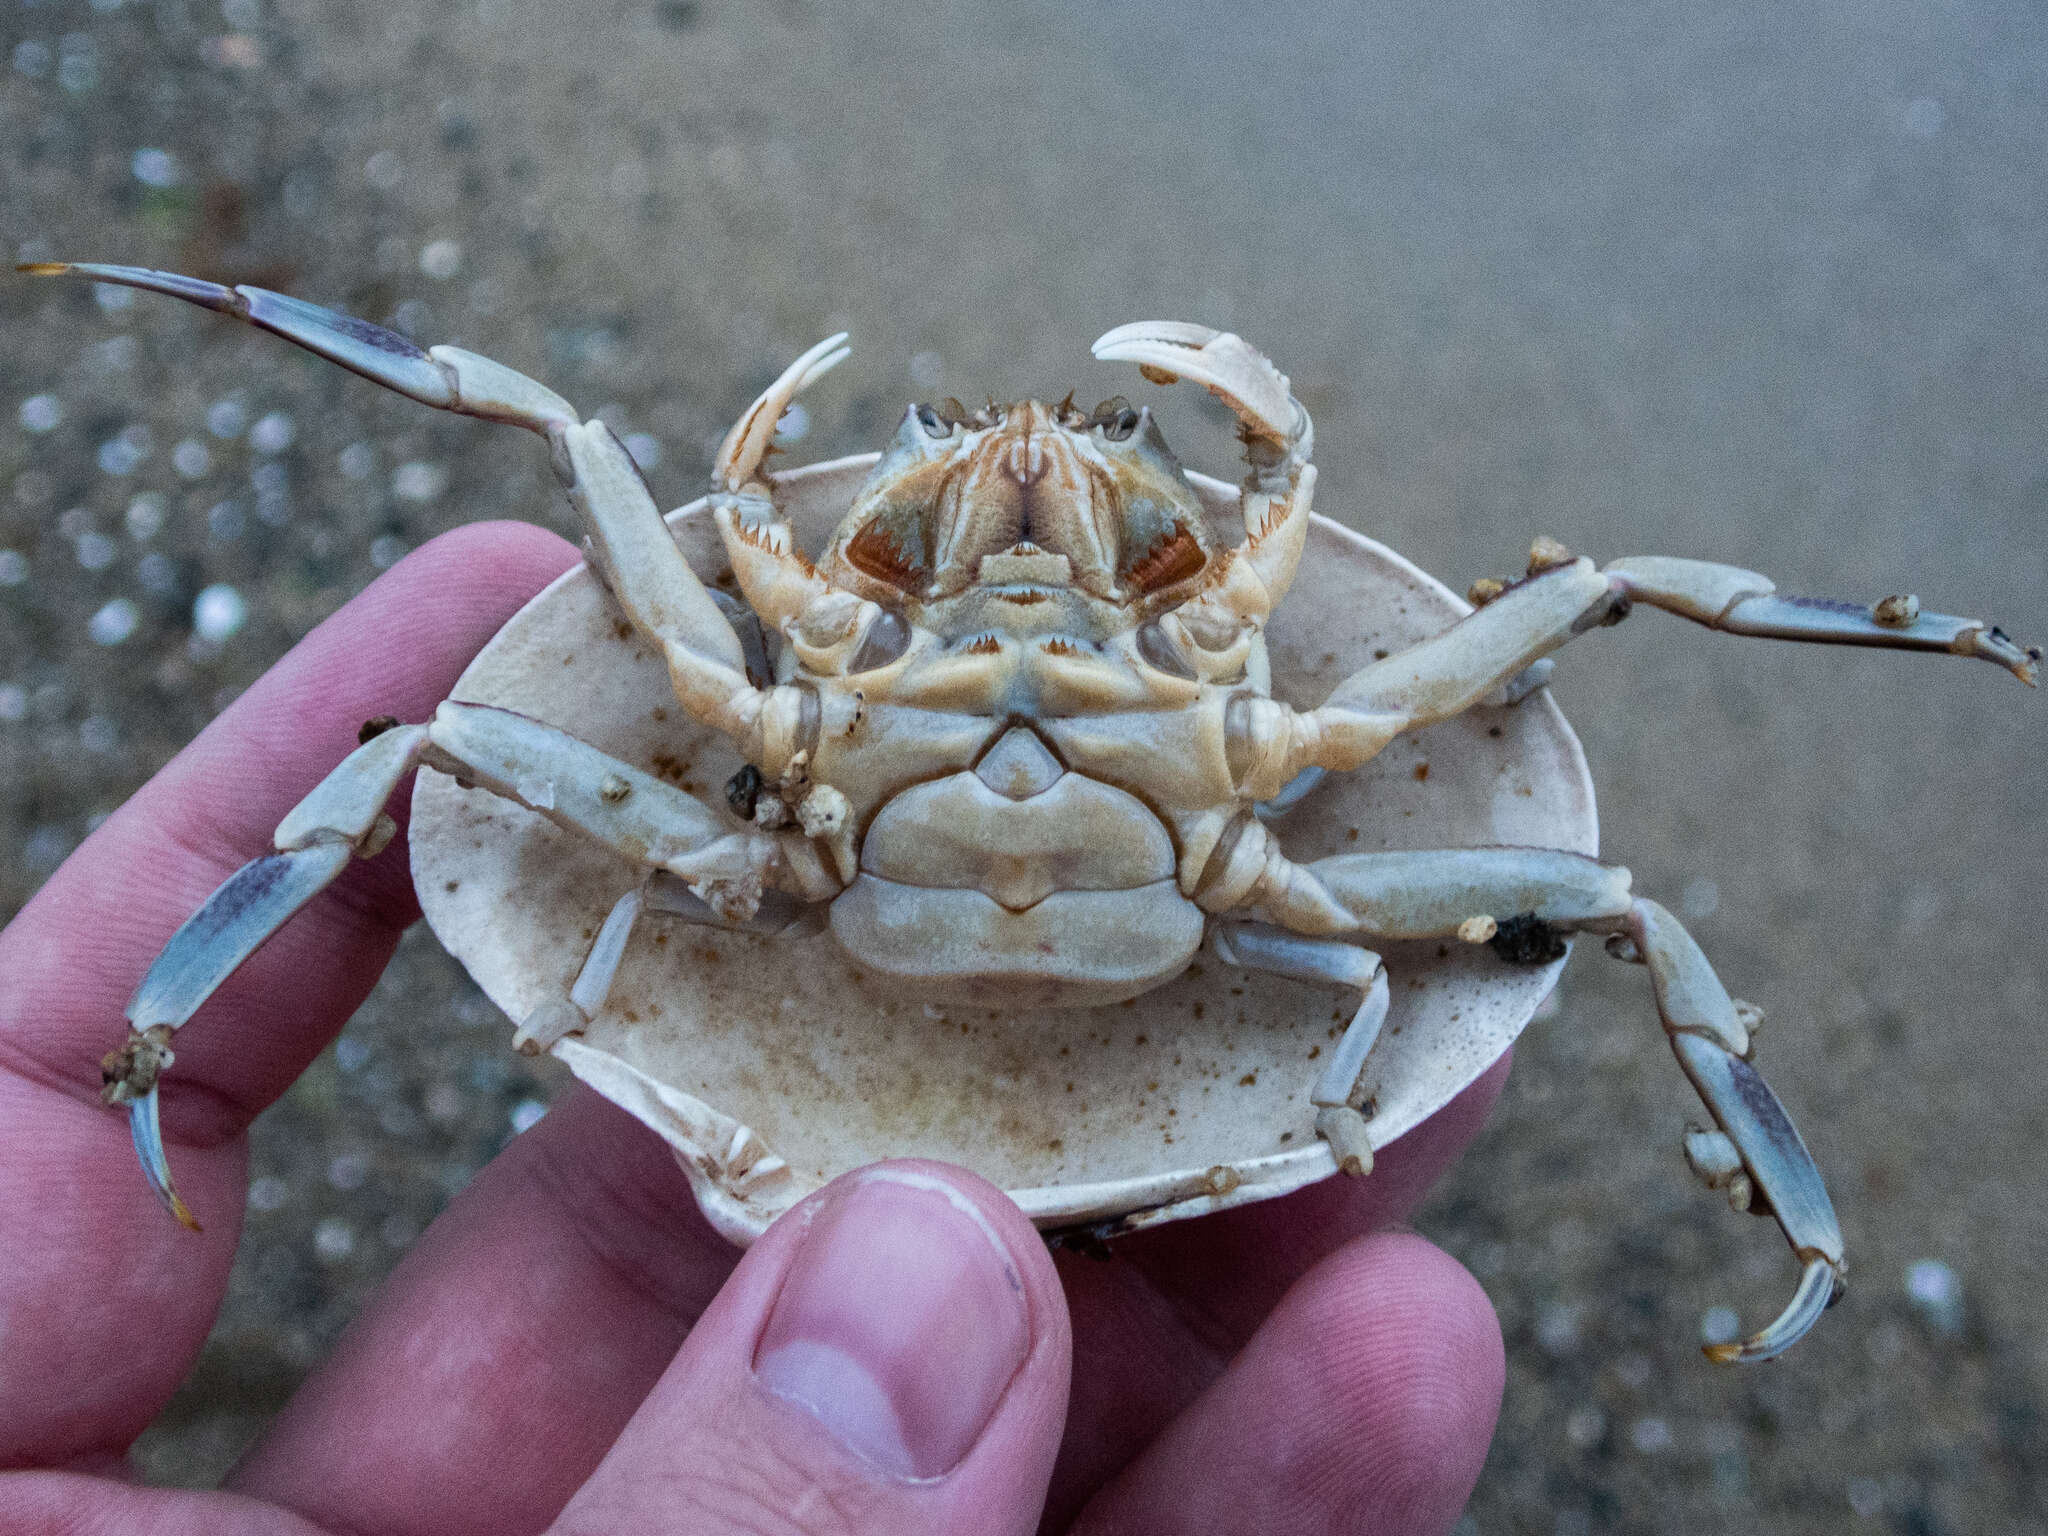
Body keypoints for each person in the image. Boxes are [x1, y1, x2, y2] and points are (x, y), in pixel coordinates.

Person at [0, 523, 1504, 1535]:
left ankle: (156, 1034)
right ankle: (156, 1027)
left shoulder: (833, 672)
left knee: (458, 677)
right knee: (440, 728)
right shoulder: (1184, 691)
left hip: (1136, 965)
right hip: (1025, 954)